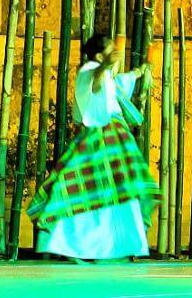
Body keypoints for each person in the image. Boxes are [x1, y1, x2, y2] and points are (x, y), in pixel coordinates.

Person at [28, 33, 161, 263]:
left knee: (120, 189)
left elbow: (117, 84)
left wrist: (141, 70)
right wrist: (105, 67)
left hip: (115, 135)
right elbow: (97, 83)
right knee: (86, 188)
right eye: (111, 51)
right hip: (98, 137)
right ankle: (78, 245)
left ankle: (112, 247)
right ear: (99, 56)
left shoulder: (105, 72)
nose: (115, 54)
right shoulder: (89, 70)